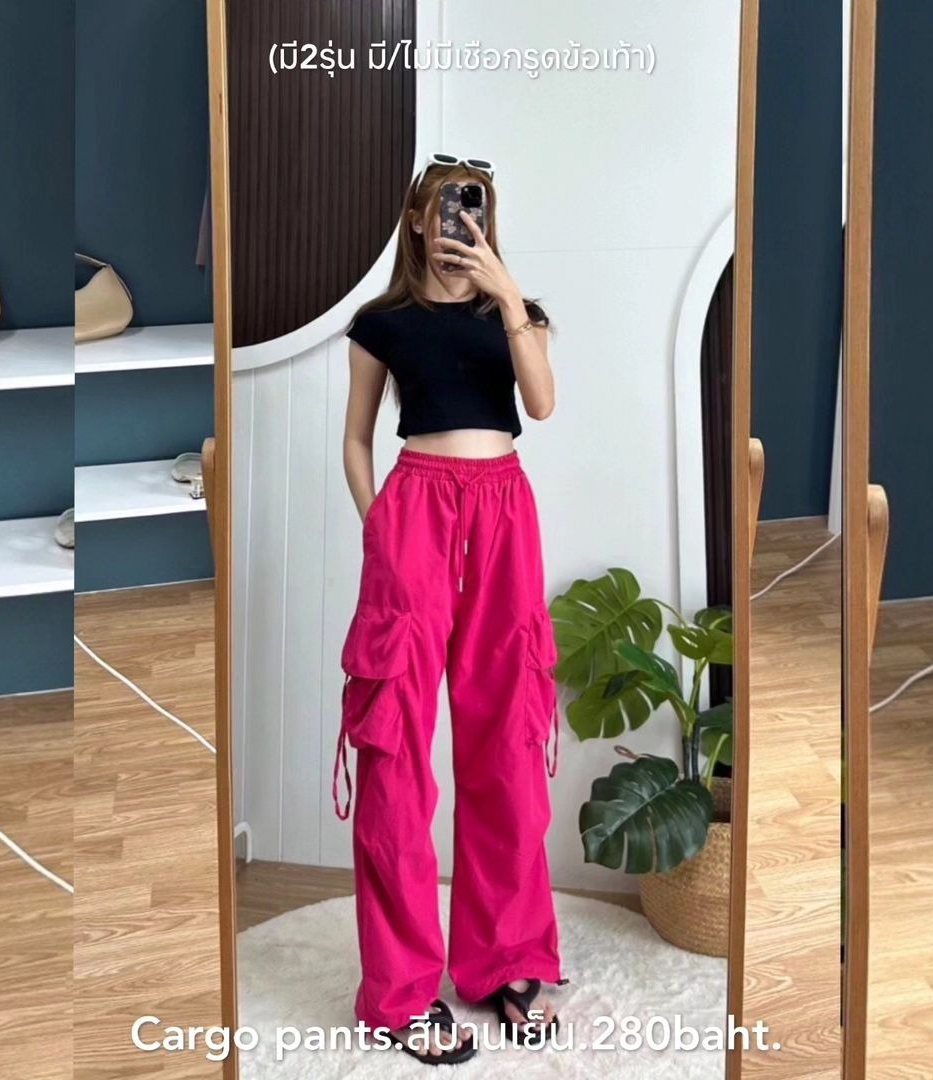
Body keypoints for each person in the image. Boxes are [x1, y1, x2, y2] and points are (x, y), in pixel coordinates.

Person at [333, 156, 564, 1065]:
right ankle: (398, 992)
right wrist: (381, 529)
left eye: (472, 211)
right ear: (417, 221)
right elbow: (356, 439)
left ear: (486, 222)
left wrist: (507, 296)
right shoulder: (380, 323)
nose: (454, 226)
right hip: (415, 511)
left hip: (504, 510)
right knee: (393, 745)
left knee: (507, 739)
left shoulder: (517, 313)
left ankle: (505, 960)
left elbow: (541, 404)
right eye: (440, 211)